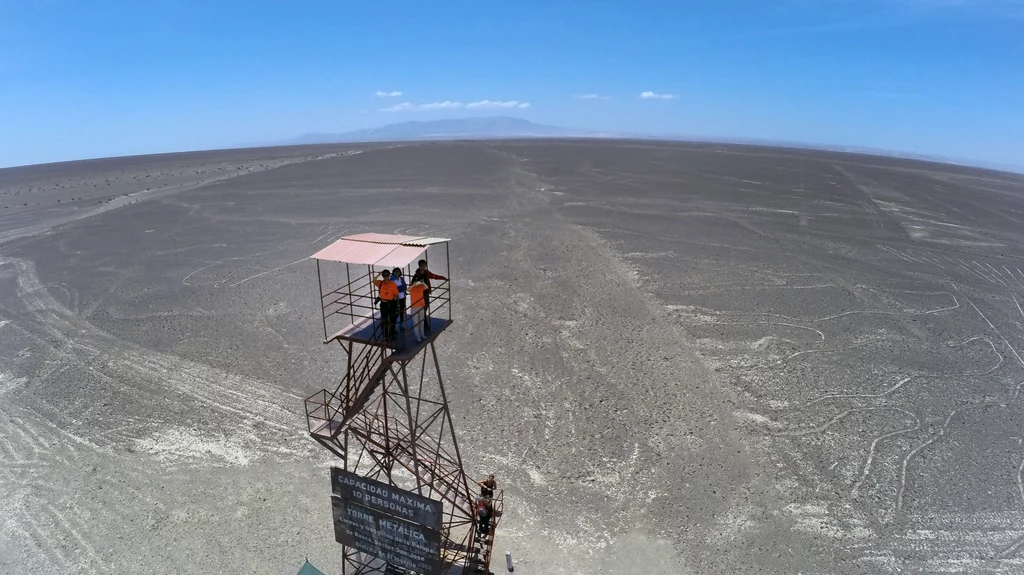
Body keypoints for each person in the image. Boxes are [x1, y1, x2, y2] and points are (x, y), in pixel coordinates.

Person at [416, 259, 447, 334]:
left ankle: (423, 319)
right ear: (419, 266)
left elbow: (434, 276)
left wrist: (442, 278)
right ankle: (424, 321)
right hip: (420, 293)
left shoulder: (426, 273)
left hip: (426, 292)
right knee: (422, 307)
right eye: (422, 266)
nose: (424, 267)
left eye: (424, 266)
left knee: (426, 307)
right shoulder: (417, 275)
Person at [373, 269, 400, 343]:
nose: (386, 277)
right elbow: (373, 280)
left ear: (389, 275)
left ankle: (392, 334)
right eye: (384, 276)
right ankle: (385, 336)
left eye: (387, 275)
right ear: (383, 276)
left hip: (391, 303)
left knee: (392, 320)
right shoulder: (380, 283)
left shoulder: (393, 284)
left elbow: (397, 295)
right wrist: (378, 274)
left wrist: (398, 305)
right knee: (384, 321)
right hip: (383, 304)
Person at [408, 271, 429, 343]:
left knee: (421, 322)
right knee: (416, 323)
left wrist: (422, 282)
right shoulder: (411, 288)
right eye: (416, 280)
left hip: (421, 306)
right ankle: (418, 337)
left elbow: (427, 287)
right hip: (414, 307)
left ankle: (422, 334)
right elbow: (408, 290)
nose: (417, 282)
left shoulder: (421, 287)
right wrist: (413, 285)